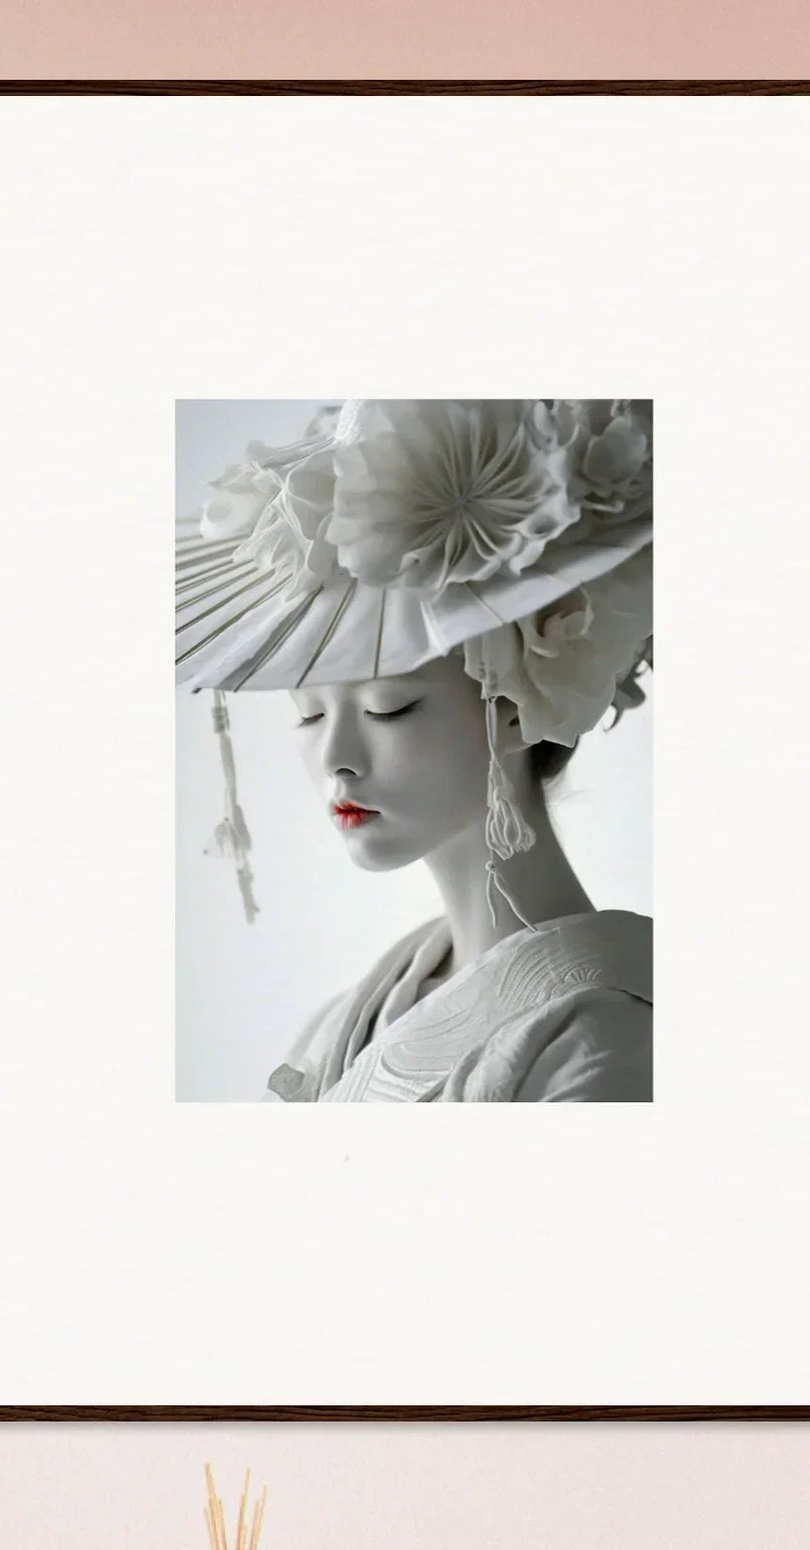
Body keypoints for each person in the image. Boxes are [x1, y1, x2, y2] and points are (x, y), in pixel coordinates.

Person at [176, 399, 654, 1103]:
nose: (335, 756)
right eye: (307, 715)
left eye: (387, 708)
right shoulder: (348, 1016)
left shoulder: (601, 1039)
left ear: (521, 705)